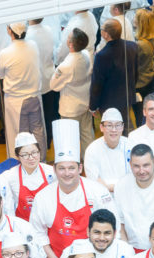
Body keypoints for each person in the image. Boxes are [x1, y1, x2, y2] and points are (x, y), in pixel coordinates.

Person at [30, 119, 116, 258]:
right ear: (54, 169)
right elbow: (37, 233)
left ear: (80, 168)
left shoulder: (97, 192)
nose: (67, 173)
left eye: (71, 168)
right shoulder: (43, 197)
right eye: (61, 168)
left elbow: (112, 227)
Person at [0, 22, 47, 159]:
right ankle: (41, 160)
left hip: (16, 101)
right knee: (38, 132)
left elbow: (0, 74)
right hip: (35, 96)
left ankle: (22, 164)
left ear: (9, 31)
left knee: (19, 135)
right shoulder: (33, 45)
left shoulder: (5, 53)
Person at [54, 209, 135, 258]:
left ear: (114, 234)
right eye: (97, 232)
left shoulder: (126, 250)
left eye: (107, 233)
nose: (102, 238)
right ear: (88, 232)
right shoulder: (71, 251)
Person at [51, 27, 94, 162]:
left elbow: (53, 85)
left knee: (70, 139)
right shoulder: (86, 55)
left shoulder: (66, 65)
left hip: (70, 108)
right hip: (85, 102)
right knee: (87, 134)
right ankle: (89, 161)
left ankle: (72, 163)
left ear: (70, 44)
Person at [89, 19, 138, 130]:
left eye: (102, 29)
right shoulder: (132, 46)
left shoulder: (102, 56)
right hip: (127, 95)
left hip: (109, 101)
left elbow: (97, 84)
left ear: (106, 34)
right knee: (126, 123)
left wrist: (93, 106)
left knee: (113, 130)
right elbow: (135, 72)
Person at [0, 132, 55, 222]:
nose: (31, 158)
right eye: (25, 155)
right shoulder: (10, 176)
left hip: (47, 222)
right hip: (23, 224)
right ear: (18, 156)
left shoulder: (51, 172)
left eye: (34, 152)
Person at [26, 18, 59, 149]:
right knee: (50, 113)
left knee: (38, 118)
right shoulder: (48, 30)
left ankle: (42, 144)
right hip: (50, 76)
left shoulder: (28, 36)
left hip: (37, 81)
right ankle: (49, 140)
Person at [83, 108, 131, 193]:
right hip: (102, 196)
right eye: (109, 125)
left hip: (128, 194)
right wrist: (119, 188)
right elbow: (94, 181)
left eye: (118, 125)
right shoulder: (92, 150)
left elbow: (136, 176)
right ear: (101, 127)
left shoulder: (131, 145)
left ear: (122, 127)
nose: (114, 130)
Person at [133, 9, 154, 125]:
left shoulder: (140, 45)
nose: (133, 19)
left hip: (140, 83)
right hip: (151, 77)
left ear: (141, 23)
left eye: (136, 17)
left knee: (140, 114)